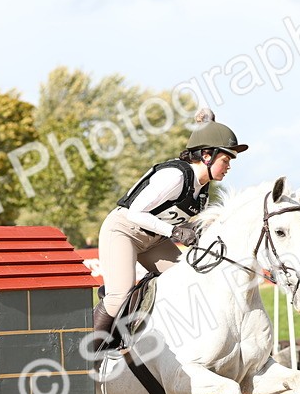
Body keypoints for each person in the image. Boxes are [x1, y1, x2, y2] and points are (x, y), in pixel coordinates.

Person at [93, 108, 247, 341]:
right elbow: (135, 212)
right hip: (123, 231)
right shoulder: (175, 176)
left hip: (154, 240)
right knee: (119, 294)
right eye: (226, 159)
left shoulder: (202, 188)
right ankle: (82, 356)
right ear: (207, 155)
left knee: (188, 283)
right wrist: (174, 231)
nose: (229, 166)